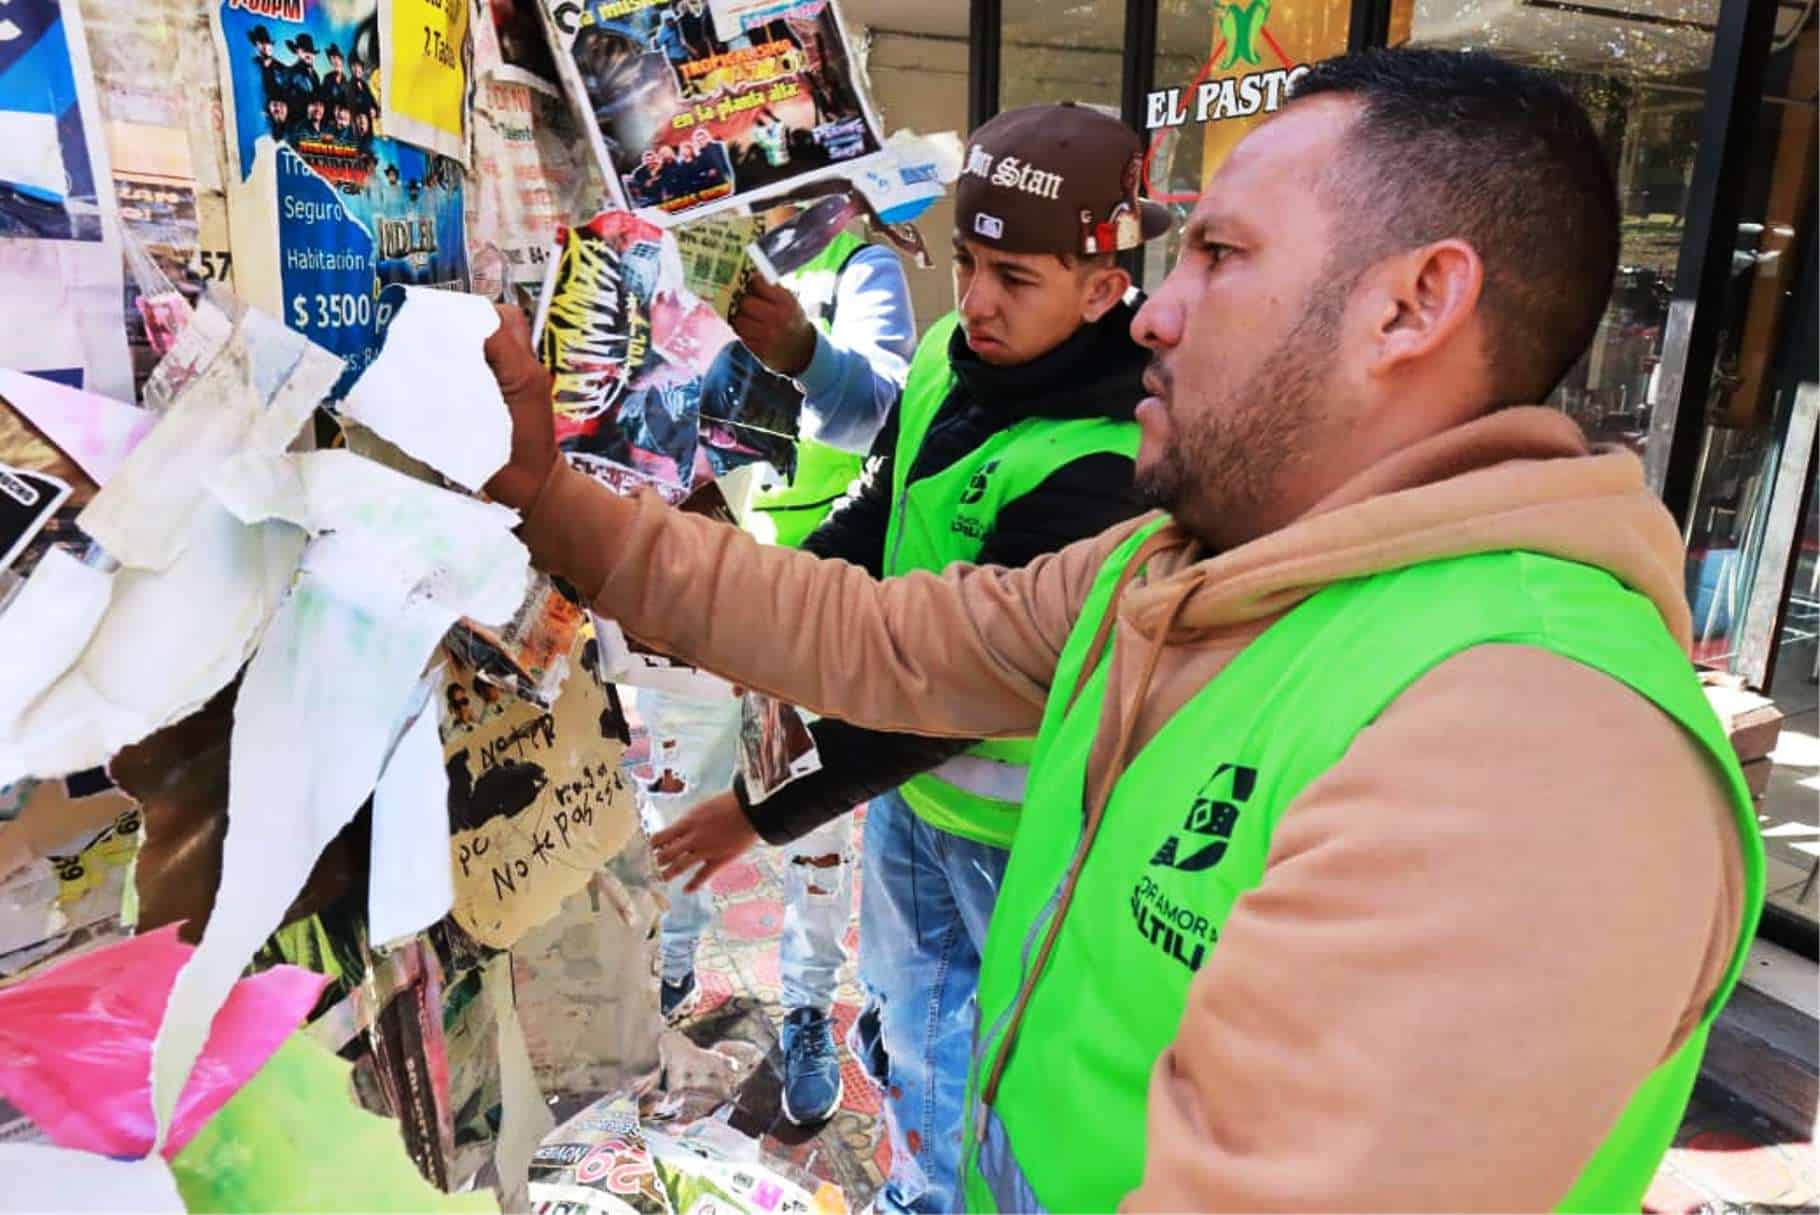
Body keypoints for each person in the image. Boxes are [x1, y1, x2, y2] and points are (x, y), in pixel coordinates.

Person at [479, 48, 1762, 1211]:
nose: (1148, 312)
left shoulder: (1532, 751)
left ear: (1411, 305)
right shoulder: (1190, 565)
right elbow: (882, 634)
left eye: (1220, 255)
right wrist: (552, 501)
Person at [659, 104, 1162, 1213]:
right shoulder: (946, 356)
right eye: (968, 263)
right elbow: (876, 524)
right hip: (909, 805)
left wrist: (758, 813)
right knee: (914, 1030)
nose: (975, 301)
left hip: (1023, 841)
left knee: (1004, 1079)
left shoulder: (1110, 458)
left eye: (1014, 278)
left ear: (1101, 287)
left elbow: (942, 700)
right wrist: (756, 608)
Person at [635, 202, 917, 1134]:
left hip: (807, 605)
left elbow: (890, 410)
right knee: (675, 802)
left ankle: (805, 1010)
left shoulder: (856, 263)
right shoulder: (671, 241)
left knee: (813, 827)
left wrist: (805, 350)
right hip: (692, 600)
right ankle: (667, 971)